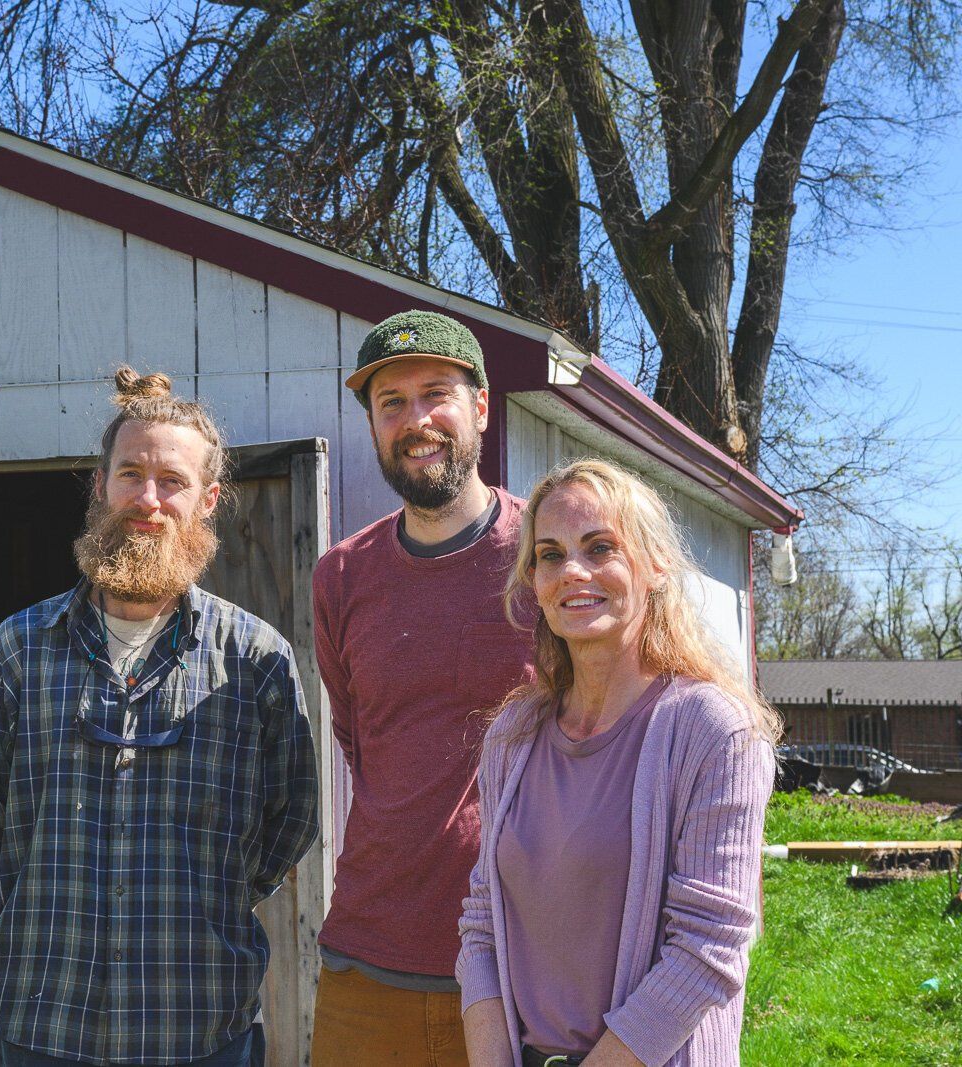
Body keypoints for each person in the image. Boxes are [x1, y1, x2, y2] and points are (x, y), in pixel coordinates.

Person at [0, 368, 320, 1067]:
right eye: (131, 474)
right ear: (100, 485)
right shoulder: (18, 649)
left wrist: (204, 899)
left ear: (208, 499)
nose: (148, 500)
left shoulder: (255, 660)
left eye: (173, 481)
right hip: (39, 1022)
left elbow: (291, 818)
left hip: (198, 1027)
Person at [458, 459, 777, 1067]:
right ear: (533, 581)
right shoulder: (513, 734)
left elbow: (708, 949)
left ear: (656, 565)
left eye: (600, 546)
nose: (572, 571)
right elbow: (482, 923)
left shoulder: (712, 729)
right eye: (549, 554)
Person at [310, 310, 535, 1066]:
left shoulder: (551, 555)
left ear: (479, 406)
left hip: (527, 960)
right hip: (369, 959)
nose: (416, 420)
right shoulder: (340, 575)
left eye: (436, 393)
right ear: (373, 426)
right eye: (391, 403)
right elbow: (360, 742)